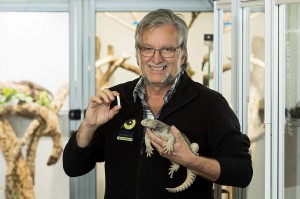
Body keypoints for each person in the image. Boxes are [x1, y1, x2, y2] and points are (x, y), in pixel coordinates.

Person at [63, 9, 253, 199]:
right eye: (147, 49)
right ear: (138, 54)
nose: (156, 58)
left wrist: (190, 160)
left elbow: (242, 172)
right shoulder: (116, 99)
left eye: (167, 49)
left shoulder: (210, 103)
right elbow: (73, 167)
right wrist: (88, 127)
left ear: (183, 55)